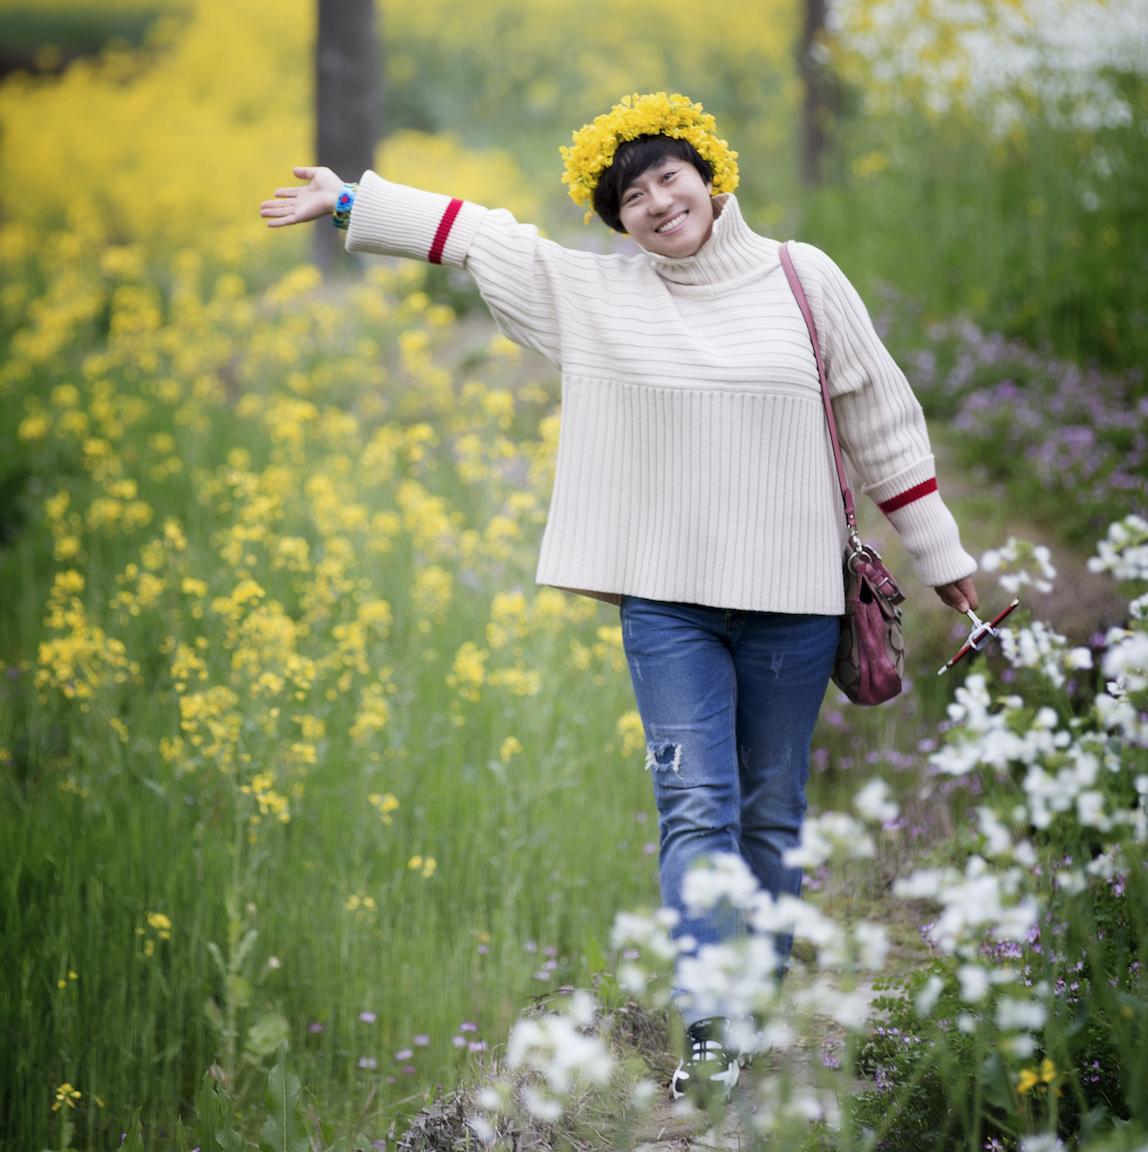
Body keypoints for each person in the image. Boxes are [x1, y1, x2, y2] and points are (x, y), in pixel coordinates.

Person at [262, 93, 979, 1086]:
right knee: (697, 808)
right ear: (616, 218)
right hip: (668, 605)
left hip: (795, 602)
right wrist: (350, 203)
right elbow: (486, 238)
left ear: (710, 174)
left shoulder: (802, 277)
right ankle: (712, 1031)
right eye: (628, 193)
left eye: (667, 176)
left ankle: (759, 998)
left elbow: (882, 420)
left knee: (771, 810)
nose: (654, 201)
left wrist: (944, 562)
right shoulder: (602, 296)